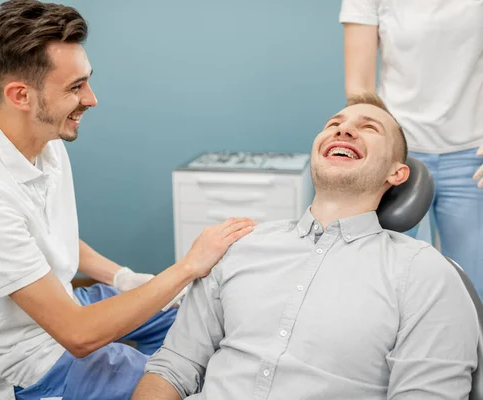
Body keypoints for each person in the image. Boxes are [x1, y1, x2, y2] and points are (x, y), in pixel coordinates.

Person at [0, 2, 256, 400]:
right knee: (179, 385)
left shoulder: (44, 141)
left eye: (87, 81)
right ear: (21, 95)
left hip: (66, 304)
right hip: (34, 359)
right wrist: (187, 266)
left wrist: (123, 277)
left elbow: (51, 239)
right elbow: (79, 335)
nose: (92, 98)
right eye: (74, 87)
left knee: (201, 320)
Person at [132, 93, 479, 400]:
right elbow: (172, 367)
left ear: (397, 174)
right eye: (334, 123)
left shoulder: (426, 274)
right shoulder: (239, 246)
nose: (343, 130)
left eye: (369, 128)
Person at [340, 0, 483, 298]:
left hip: (473, 156)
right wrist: (377, 154)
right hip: (398, 157)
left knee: (473, 290)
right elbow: (359, 89)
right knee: (386, 285)